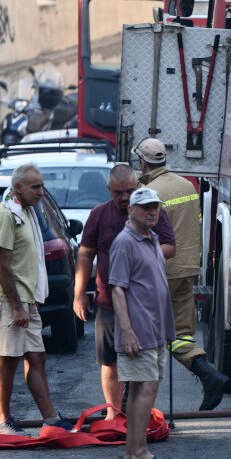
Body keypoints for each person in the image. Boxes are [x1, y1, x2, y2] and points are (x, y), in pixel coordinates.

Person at [74, 163, 177, 420]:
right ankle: (114, 414)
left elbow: (170, 246)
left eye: (129, 191)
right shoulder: (99, 215)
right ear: (109, 190)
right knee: (110, 361)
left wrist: (139, 258)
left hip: (143, 305)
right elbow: (85, 253)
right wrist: (79, 293)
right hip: (108, 302)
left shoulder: (152, 213)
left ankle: (136, 416)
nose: (124, 197)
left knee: (145, 361)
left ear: (137, 187)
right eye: (118, 192)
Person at [135, 138, 229, 411]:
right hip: (187, 269)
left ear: (143, 161)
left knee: (145, 336)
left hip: (160, 271)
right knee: (182, 334)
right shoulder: (188, 185)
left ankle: (131, 403)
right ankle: (208, 374)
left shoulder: (148, 191)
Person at [0, 163, 75, 435]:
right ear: (17, 188)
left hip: (27, 300)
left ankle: (51, 419)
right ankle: (3, 422)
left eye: (42, 185)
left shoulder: (26, 211)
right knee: (9, 358)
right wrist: (16, 306)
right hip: (8, 300)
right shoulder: (5, 215)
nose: (41, 191)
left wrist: (28, 302)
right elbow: (3, 265)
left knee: (37, 358)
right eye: (35, 187)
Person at [109, 187, 177, 459]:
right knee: (144, 389)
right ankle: (138, 453)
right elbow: (117, 289)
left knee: (143, 390)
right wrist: (127, 331)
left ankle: (134, 454)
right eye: (146, 207)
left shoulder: (152, 238)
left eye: (156, 207)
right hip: (140, 330)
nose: (153, 211)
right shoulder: (125, 242)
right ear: (131, 210)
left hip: (155, 329)